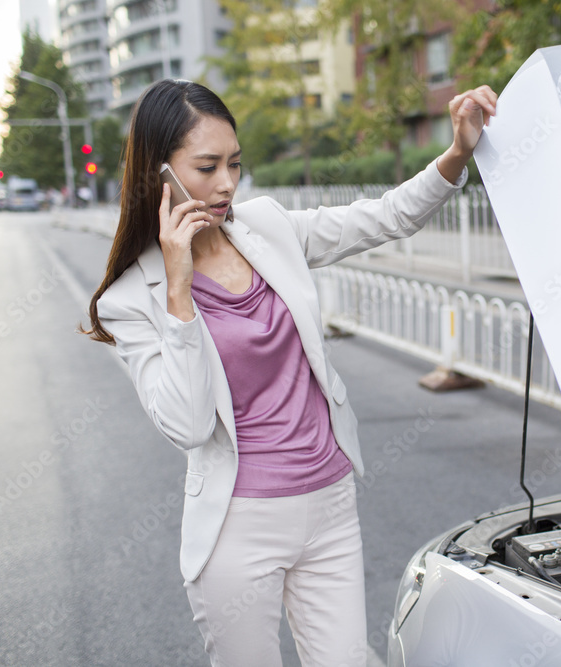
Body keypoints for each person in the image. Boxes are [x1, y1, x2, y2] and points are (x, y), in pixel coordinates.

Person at [80, 78, 497, 666]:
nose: (227, 183)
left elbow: (384, 218)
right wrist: (178, 288)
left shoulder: (267, 227)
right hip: (238, 526)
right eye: (206, 167)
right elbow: (189, 424)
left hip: (329, 503)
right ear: (158, 172)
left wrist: (457, 154)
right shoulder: (130, 299)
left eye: (234, 164)